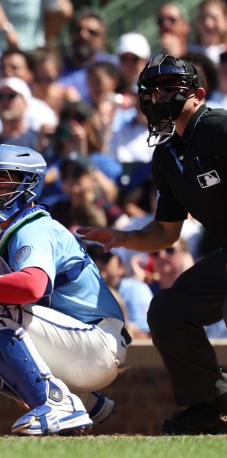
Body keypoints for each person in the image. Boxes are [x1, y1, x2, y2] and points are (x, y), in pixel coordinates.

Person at [77, 54, 227, 435]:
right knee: (167, 312)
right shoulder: (166, 156)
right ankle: (214, 403)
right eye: (151, 90)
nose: (157, 97)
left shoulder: (218, 127)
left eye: (168, 88)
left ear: (198, 94)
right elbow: (166, 233)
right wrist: (123, 238)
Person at [0, 144, 130, 435]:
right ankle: (85, 403)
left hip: (97, 341)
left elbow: (30, 286)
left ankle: (57, 404)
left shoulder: (33, 227)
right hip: (73, 345)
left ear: (28, 185)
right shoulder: (10, 232)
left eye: (1, 181)